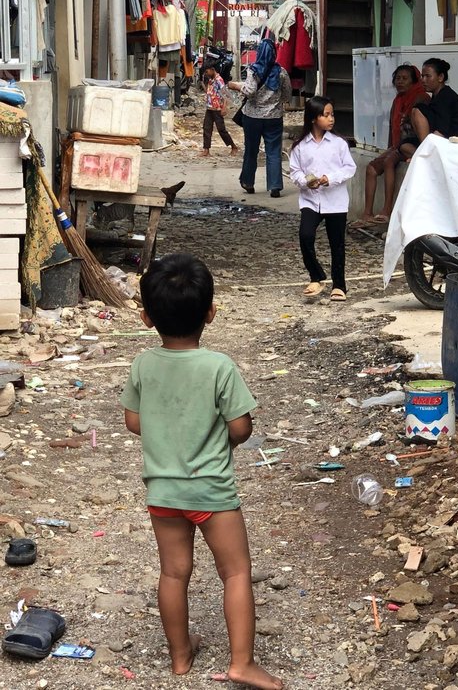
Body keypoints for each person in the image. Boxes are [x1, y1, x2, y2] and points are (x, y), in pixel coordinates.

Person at [121, 253, 283, 690]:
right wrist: (219, 439)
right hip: (211, 491)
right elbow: (241, 427)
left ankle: (179, 656)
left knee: (173, 572)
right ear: (210, 313)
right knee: (235, 572)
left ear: (145, 315)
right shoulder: (219, 367)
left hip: (163, 491)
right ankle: (242, 663)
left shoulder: (142, 364)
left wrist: (168, 430)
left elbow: (134, 422)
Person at [289, 96, 357, 301]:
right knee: (305, 235)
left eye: (332, 114)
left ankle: (339, 286)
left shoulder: (339, 144)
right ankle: (316, 275)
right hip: (311, 199)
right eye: (325, 115)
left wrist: (330, 179)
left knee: (336, 243)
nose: (331, 119)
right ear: (313, 118)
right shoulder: (300, 146)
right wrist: (305, 181)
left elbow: (349, 168)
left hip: (335, 200)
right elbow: (295, 171)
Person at [351, 64, 428, 227]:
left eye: (404, 78)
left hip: (412, 144)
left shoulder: (420, 97)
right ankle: (367, 213)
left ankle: (387, 210)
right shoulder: (397, 100)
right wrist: (389, 148)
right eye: (397, 78)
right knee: (371, 168)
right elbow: (392, 128)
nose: (400, 82)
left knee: (388, 162)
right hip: (398, 144)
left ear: (413, 81)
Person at [228, 37, 291, 198]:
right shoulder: (281, 72)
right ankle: (275, 186)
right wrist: (275, 102)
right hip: (274, 118)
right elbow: (287, 95)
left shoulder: (253, 70)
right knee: (273, 152)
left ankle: (248, 182)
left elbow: (249, 91)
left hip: (252, 118)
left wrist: (237, 86)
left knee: (251, 150)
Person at [411, 57, 458, 142]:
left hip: (456, 143)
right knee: (405, 146)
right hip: (444, 139)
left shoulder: (446, 97)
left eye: (428, 76)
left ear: (440, 77)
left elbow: (441, 131)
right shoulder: (436, 96)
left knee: (418, 110)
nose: (423, 80)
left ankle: (426, 150)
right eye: (422, 76)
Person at [202, 63, 238, 158]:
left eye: (207, 71)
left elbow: (225, 95)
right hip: (210, 107)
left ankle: (233, 146)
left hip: (217, 108)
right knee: (206, 128)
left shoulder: (219, 80)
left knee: (221, 129)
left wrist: (224, 107)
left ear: (212, 69)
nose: (206, 73)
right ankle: (206, 149)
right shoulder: (211, 80)